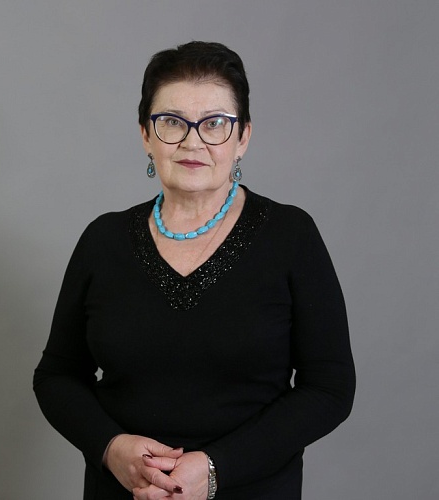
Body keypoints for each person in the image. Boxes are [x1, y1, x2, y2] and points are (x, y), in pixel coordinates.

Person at [33, 41, 355, 500]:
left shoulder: (290, 236)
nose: (192, 141)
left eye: (215, 123)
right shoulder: (103, 240)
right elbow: (57, 375)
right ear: (146, 135)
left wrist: (215, 468)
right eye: (172, 121)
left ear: (243, 137)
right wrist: (110, 448)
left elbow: (330, 388)